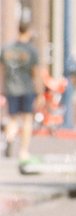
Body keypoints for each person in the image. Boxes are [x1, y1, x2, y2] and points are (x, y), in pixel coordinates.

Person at [2, 21, 43, 167]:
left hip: (11, 88)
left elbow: (2, 70)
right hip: (26, 89)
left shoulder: (6, 49)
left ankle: (9, 137)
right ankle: (23, 151)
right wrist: (39, 93)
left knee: (13, 118)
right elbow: (35, 73)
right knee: (26, 119)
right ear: (29, 31)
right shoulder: (31, 51)